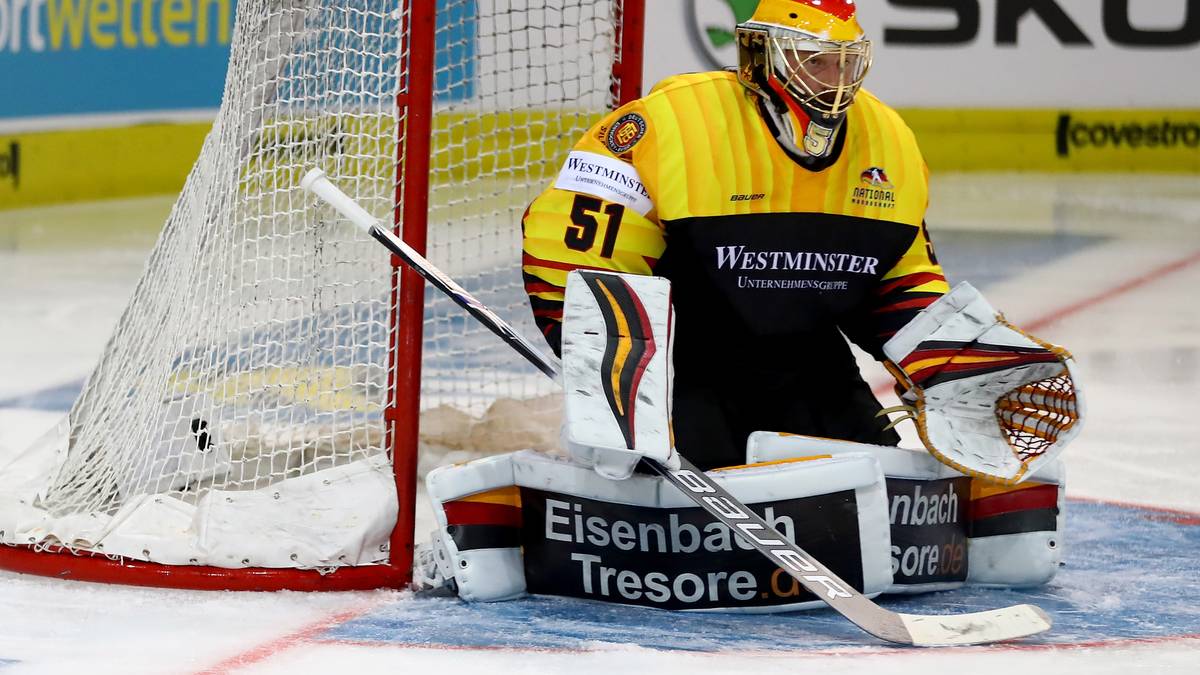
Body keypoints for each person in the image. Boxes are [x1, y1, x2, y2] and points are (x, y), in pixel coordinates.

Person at [521, 0, 948, 470]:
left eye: (845, 63)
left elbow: (902, 282)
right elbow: (570, 255)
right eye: (815, 62)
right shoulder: (673, 123)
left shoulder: (888, 138)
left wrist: (955, 369)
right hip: (683, 364)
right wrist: (612, 383)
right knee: (688, 476)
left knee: (881, 473)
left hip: (808, 362)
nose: (835, 81)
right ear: (761, 55)